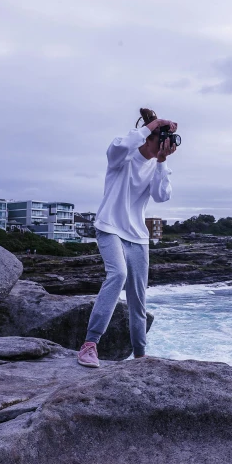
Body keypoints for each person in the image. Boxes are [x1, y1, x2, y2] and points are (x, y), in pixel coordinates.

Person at [77, 108, 178, 368]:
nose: (164, 145)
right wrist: (153, 124)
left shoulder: (156, 165)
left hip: (137, 236)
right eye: (160, 139)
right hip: (110, 226)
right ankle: (89, 345)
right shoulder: (123, 158)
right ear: (148, 137)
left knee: (138, 296)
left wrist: (163, 161)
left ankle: (140, 355)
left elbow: (162, 195)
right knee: (117, 275)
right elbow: (118, 147)